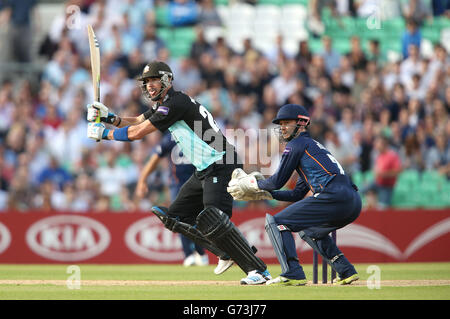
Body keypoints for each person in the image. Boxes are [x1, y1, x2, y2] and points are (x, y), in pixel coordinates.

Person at [86, 60, 271, 285]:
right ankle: (225, 251)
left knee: (215, 219)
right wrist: (109, 118)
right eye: (146, 82)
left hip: (221, 163)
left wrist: (104, 134)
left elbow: (137, 133)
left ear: (167, 80)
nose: (150, 85)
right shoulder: (165, 104)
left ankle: (259, 271)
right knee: (175, 216)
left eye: (154, 80)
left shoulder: (176, 103)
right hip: (204, 168)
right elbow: (137, 120)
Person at [227, 104, 361, 286]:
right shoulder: (311, 148)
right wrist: (267, 195)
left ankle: (293, 272)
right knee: (311, 231)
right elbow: (297, 194)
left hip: (332, 195)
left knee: (276, 222)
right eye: (280, 124)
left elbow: (276, 181)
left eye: (287, 123)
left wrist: (252, 184)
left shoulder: (296, 144)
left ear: (302, 123)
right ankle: (346, 270)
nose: (282, 127)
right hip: (351, 200)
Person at [135, 131, 209, 267]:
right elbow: (155, 158)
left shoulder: (183, 136)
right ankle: (190, 254)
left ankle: (200, 252)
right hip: (180, 183)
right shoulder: (175, 137)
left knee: (198, 217)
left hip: (195, 182)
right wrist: (142, 179)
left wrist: (142, 180)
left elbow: (155, 159)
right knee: (180, 218)